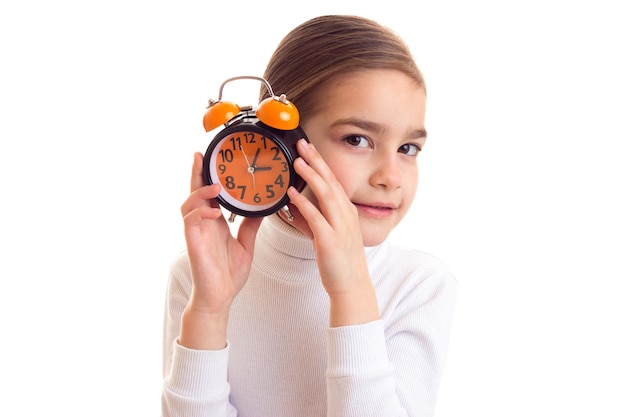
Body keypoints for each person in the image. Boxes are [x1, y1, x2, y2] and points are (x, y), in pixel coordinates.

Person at [162, 14, 457, 417]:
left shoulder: (420, 287)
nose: (391, 177)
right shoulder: (197, 277)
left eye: (408, 148)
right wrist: (209, 311)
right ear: (280, 140)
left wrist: (351, 287)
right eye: (358, 139)